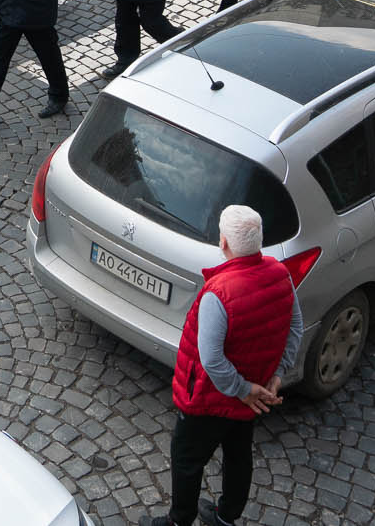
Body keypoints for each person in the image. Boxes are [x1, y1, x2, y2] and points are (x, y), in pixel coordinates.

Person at [145, 204, 301, 526]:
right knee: (238, 456)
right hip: (255, 392)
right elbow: (295, 328)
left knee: (187, 458)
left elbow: (212, 359)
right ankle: (226, 518)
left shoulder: (219, 293)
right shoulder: (281, 275)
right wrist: (277, 375)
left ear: (224, 243)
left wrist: (242, 391)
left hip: (210, 398)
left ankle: (180, 520)